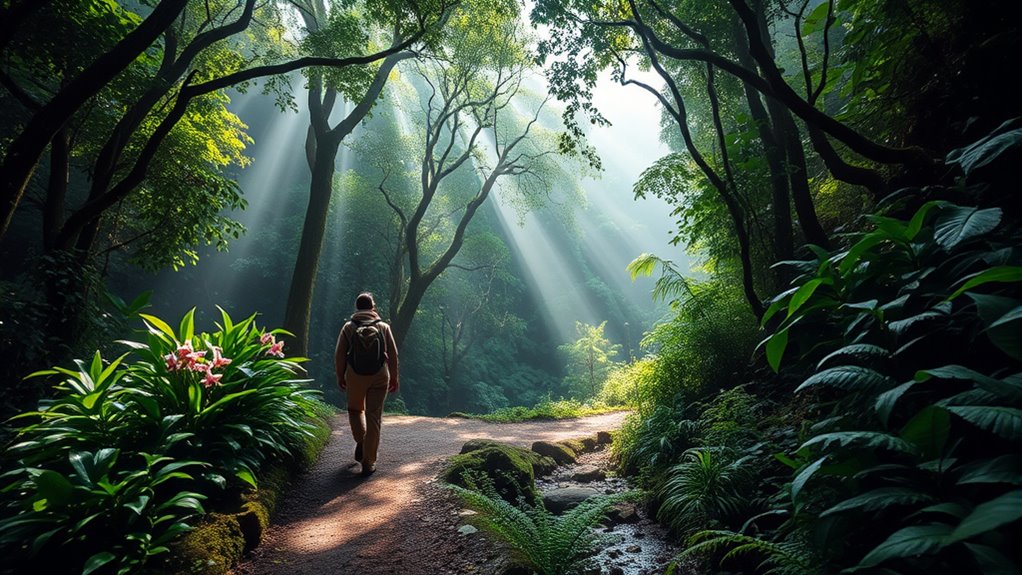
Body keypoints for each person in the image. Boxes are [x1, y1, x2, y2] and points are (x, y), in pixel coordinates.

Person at [334, 292, 399, 476]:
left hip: (355, 375)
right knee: (374, 417)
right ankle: (369, 462)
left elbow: (340, 354)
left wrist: (340, 376)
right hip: (380, 375)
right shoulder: (383, 327)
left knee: (355, 410)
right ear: (373, 307)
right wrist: (394, 377)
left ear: (357, 307)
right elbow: (393, 354)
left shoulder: (348, 327)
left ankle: (361, 441)